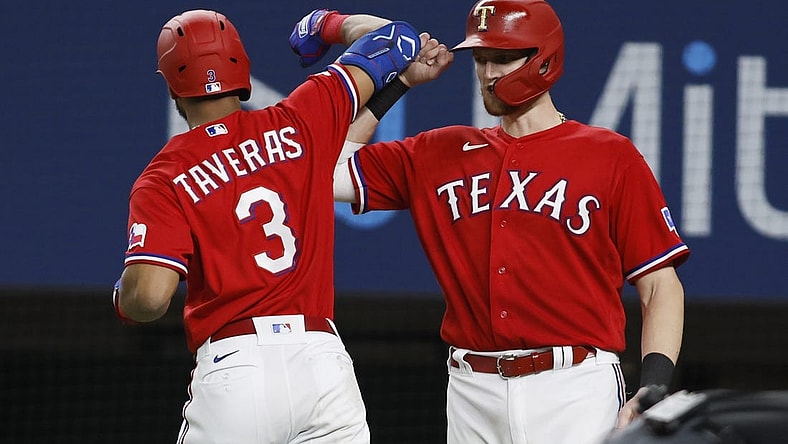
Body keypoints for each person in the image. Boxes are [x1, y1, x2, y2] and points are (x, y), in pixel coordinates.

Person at [324, 1, 690, 443]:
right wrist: (399, 83)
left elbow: (659, 283)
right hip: (471, 389)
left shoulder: (609, 155)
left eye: (502, 57)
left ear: (544, 57)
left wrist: (652, 386)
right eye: (480, 59)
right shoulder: (439, 152)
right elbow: (324, 169)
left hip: (573, 388)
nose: (488, 73)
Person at [111, 8, 429, 443]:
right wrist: (324, 25)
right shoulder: (301, 118)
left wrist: (123, 301)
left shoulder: (163, 176)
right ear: (242, 69)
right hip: (322, 363)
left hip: (236, 366)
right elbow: (398, 40)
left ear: (171, 87)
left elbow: (149, 297)